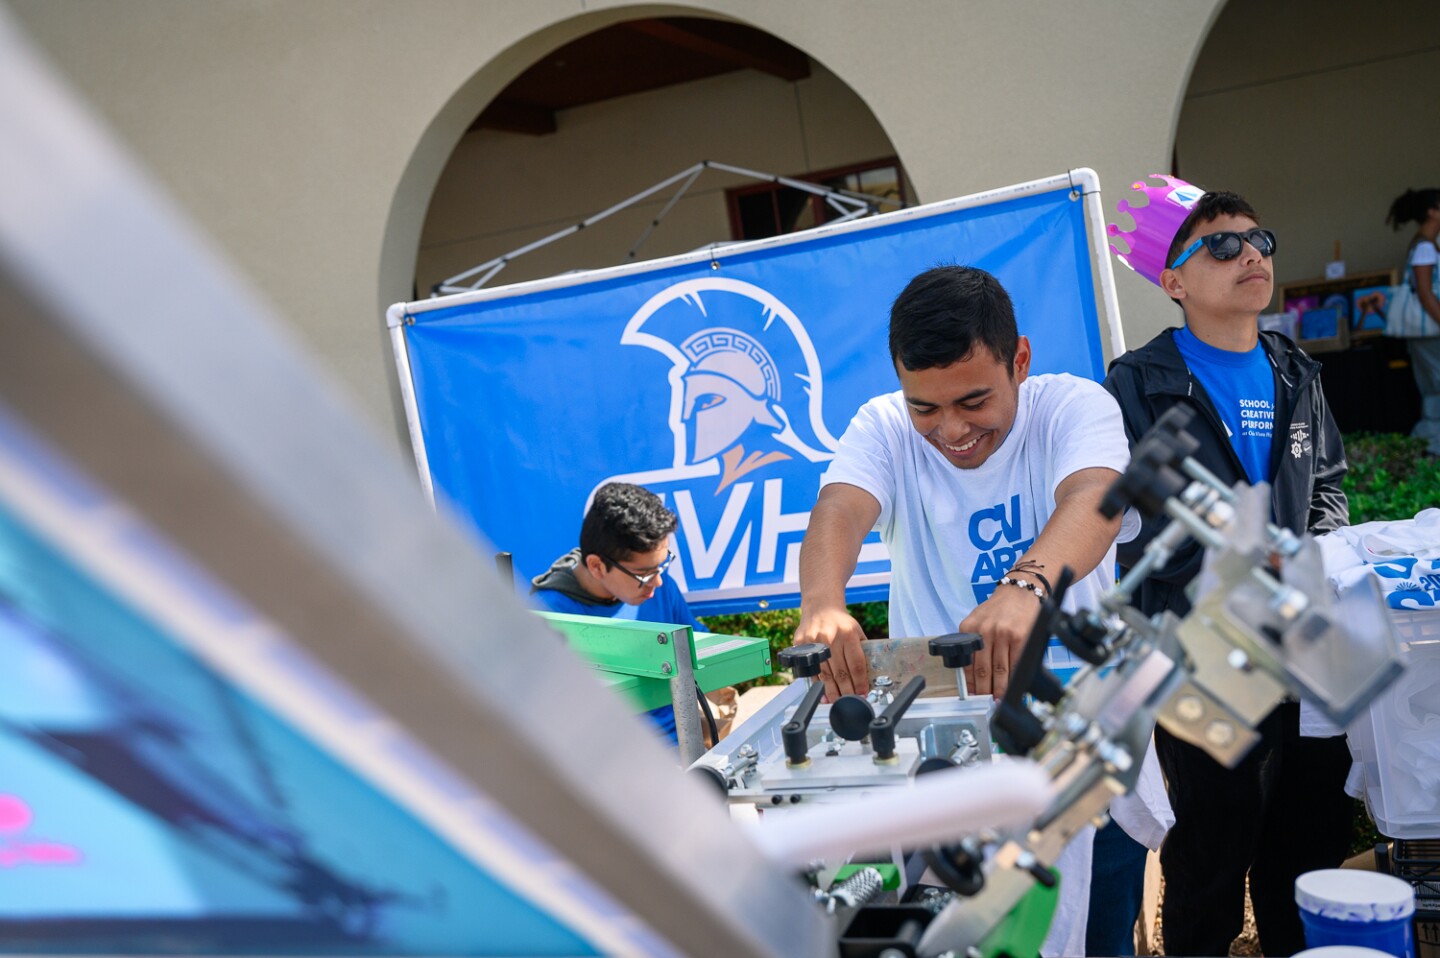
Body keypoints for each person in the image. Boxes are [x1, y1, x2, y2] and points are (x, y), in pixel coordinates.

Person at [793, 264, 1168, 957]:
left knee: (1099, 935)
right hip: (944, 755)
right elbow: (839, 509)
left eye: (973, 401)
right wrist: (823, 605)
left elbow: (1094, 497)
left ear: (1019, 359)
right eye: (925, 408)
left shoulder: (1072, 407)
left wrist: (1026, 587)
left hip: (1087, 739)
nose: (951, 430)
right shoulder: (881, 426)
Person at [1104, 176, 1352, 957]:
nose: (1250, 253)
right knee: (1212, 847)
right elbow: (1121, 527)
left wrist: (1315, 557)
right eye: (1221, 243)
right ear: (1173, 281)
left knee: (1308, 841)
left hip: (1305, 639)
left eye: (1258, 240)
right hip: (1203, 649)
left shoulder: (1296, 372)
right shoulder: (1135, 386)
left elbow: (1329, 487)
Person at [531, 481, 703, 742]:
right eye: (644, 574)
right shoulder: (548, 617)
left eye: (662, 565)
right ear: (597, 566)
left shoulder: (659, 586)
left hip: (689, 748)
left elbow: (704, 652)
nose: (657, 582)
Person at [1385, 187, 1440, 455]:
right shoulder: (1426, 247)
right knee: (1436, 390)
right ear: (1432, 211)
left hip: (1429, 331)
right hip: (1430, 331)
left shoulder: (1427, 244)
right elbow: (1426, 292)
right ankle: (1428, 448)